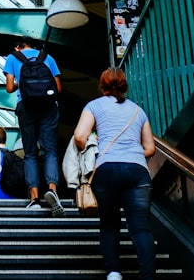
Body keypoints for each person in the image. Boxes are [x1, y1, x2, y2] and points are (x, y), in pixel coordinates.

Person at [72, 67, 157, 280]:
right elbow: (150, 148)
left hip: (106, 169)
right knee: (140, 227)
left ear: (102, 85)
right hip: (136, 170)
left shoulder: (93, 106)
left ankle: (114, 273)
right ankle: (147, 275)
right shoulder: (138, 111)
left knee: (109, 223)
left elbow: (80, 136)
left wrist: (95, 145)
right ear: (124, 85)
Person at [2, 35, 65, 215]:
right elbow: (58, 89)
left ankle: (34, 198)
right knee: (51, 151)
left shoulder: (13, 58)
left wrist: (20, 83)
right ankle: (52, 189)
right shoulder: (47, 57)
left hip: (26, 106)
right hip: (49, 107)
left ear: (18, 47)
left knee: (30, 153)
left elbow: (8, 88)